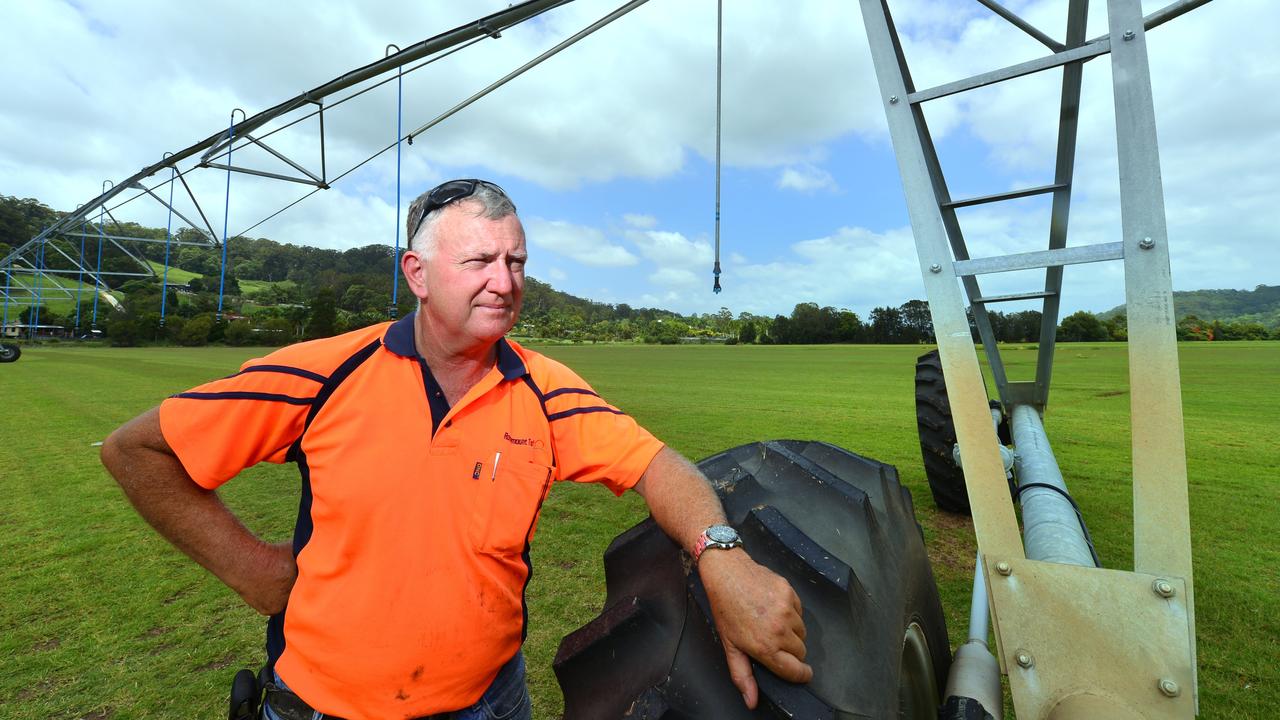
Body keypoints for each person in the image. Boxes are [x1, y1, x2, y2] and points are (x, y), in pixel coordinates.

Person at [101, 179, 811, 720]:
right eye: (479, 261)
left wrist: (722, 557)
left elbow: (660, 465)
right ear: (417, 272)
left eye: (517, 262)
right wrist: (253, 571)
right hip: (323, 707)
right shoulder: (326, 372)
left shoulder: (543, 388)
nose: (504, 283)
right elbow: (136, 450)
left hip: (490, 703)